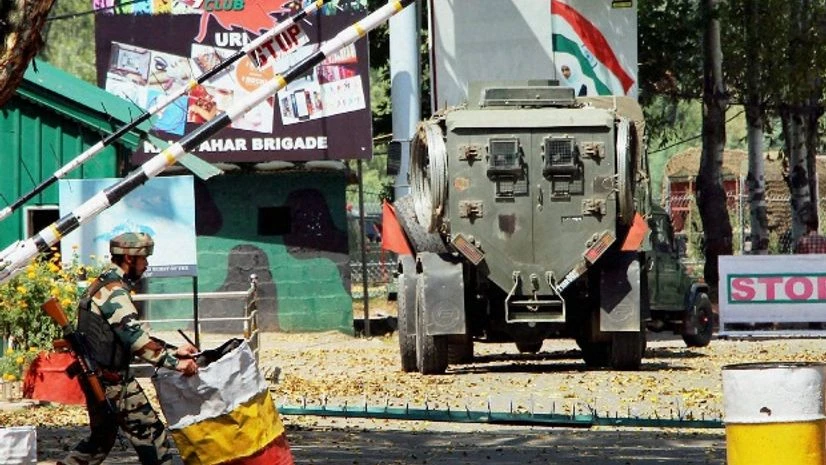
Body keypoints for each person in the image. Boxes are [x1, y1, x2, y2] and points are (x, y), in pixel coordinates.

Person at [59, 232, 198, 465]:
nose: (147, 264)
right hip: (113, 381)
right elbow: (135, 340)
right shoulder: (114, 292)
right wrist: (178, 364)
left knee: (101, 440)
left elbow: (127, 333)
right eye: (144, 258)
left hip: (99, 377)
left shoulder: (103, 284)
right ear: (129, 258)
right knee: (153, 438)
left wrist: (173, 350)